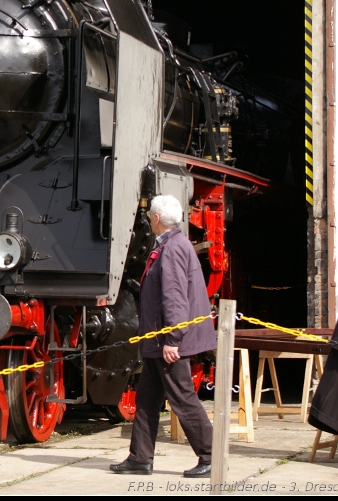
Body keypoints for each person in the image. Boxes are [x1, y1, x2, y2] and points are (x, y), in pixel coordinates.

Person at [110, 195, 216, 478]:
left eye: (149, 217)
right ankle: (140, 457)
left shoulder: (172, 249)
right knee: (146, 400)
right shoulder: (175, 244)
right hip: (157, 340)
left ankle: (211, 455)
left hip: (166, 341)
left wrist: (173, 339)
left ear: (156, 218)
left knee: (182, 398)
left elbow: (175, 298)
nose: (149, 221)